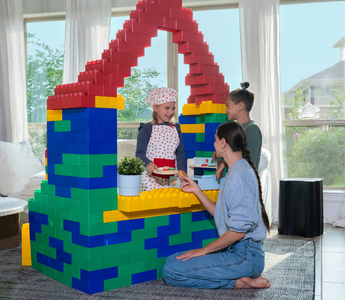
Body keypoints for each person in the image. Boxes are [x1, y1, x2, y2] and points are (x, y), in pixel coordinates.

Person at [162, 121, 271, 290]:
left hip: (246, 256)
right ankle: (240, 278)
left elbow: (238, 232)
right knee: (173, 260)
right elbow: (221, 214)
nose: (213, 144)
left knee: (171, 271)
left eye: (215, 140)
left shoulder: (239, 175)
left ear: (223, 143)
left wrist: (204, 250)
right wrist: (197, 190)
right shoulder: (234, 171)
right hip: (238, 252)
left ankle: (237, 283)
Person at [135, 87, 186, 191]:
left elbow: (180, 152)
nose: (171, 112)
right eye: (167, 108)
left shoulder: (176, 128)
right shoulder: (146, 129)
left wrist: (182, 170)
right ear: (155, 107)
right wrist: (147, 163)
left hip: (172, 178)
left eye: (173, 108)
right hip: (150, 179)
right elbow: (139, 153)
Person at [213, 82, 262, 178]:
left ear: (240, 106)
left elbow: (249, 163)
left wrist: (224, 163)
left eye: (228, 105)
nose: (225, 110)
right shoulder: (233, 129)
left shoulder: (252, 130)